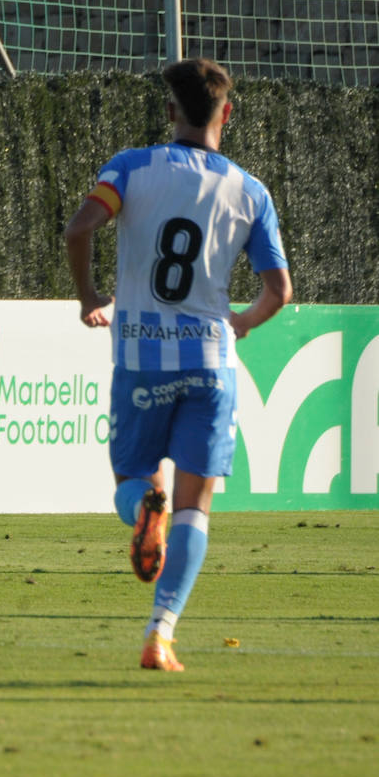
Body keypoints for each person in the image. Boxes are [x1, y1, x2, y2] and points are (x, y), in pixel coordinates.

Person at [64, 58, 292, 671]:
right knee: (196, 504)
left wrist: (90, 299)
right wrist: (243, 320)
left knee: (134, 482)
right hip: (212, 362)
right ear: (228, 112)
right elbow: (279, 290)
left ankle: (143, 512)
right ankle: (160, 635)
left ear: (170, 113)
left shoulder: (132, 168)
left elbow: (79, 228)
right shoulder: (250, 191)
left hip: (140, 355)